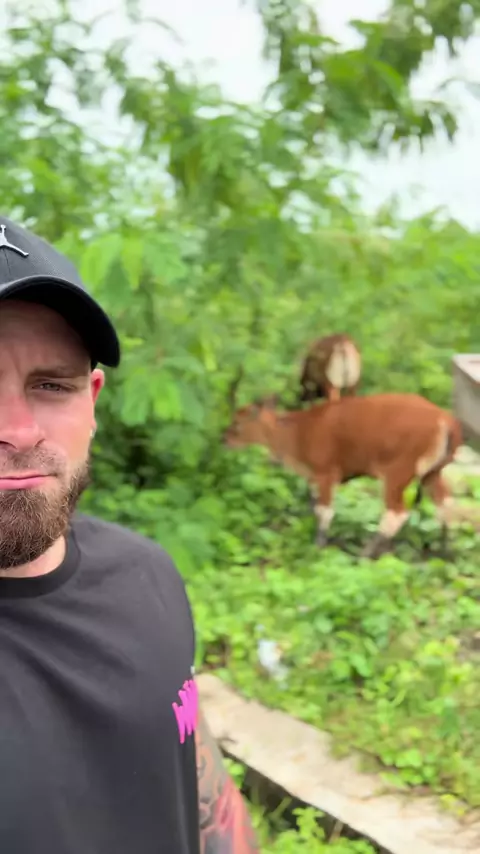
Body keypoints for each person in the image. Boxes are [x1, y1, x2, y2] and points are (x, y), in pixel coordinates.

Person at [0, 215, 259, 853]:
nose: (19, 429)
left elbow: (201, 790)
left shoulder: (147, 574)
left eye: (50, 385)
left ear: (92, 400)